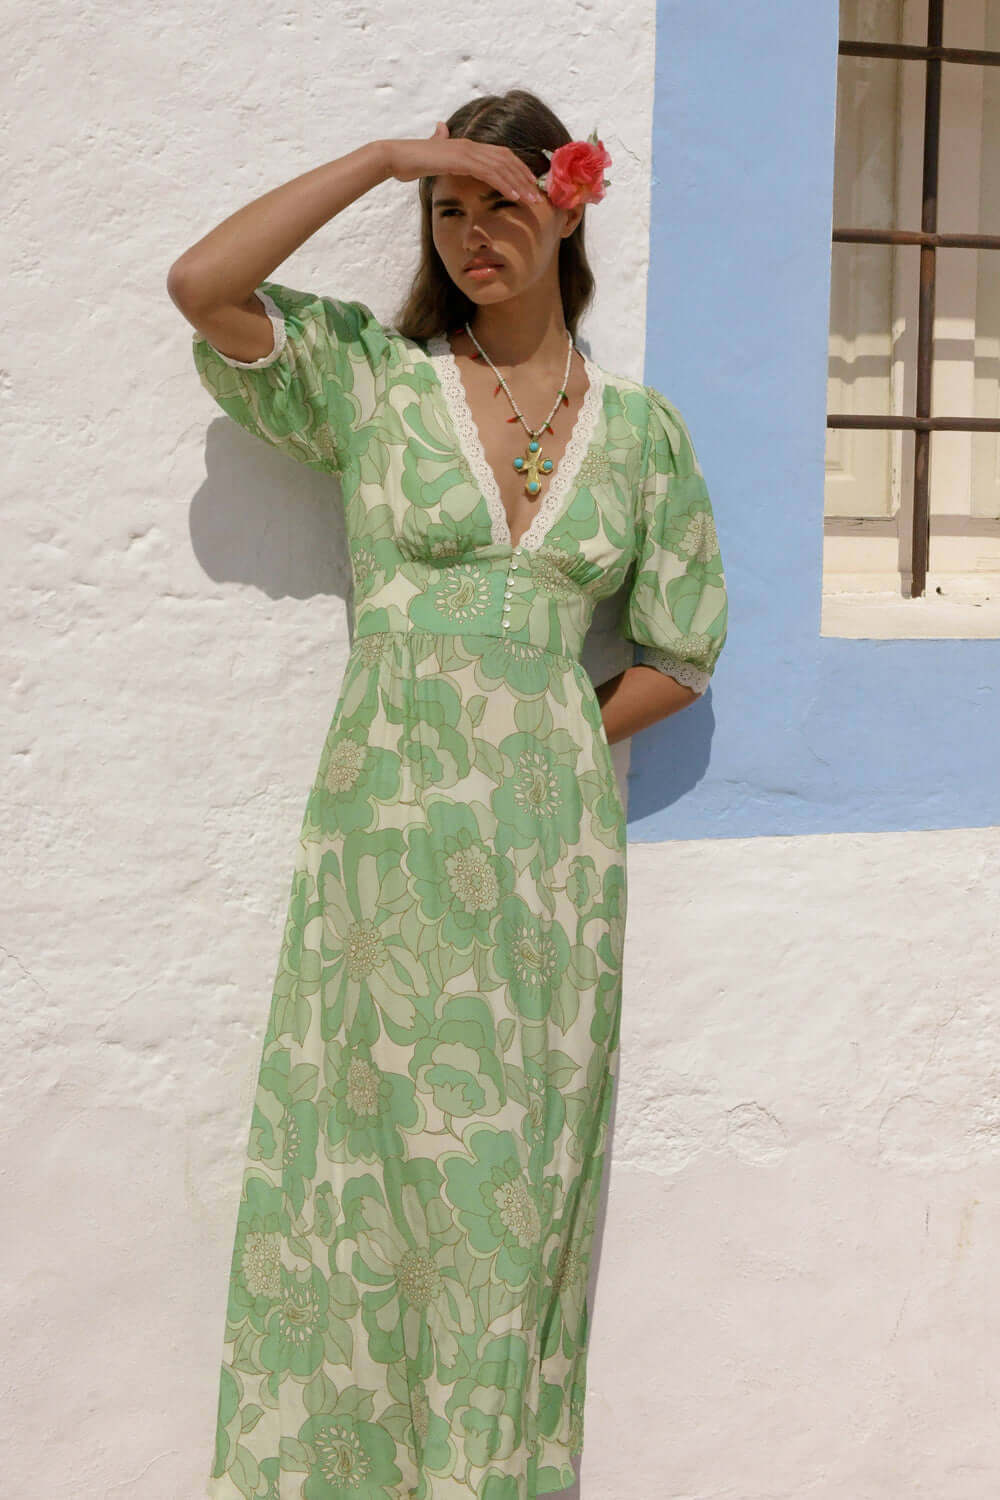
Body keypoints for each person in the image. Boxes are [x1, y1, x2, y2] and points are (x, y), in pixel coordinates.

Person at [168, 88, 728, 1500]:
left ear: (568, 204)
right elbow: (204, 286)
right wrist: (383, 158)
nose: (475, 233)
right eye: (448, 210)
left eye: (503, 201)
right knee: (369, 1165)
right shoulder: (375, 383)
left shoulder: (640, 431)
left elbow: (683, 650)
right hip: (388, 843)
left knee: (515, 1189)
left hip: (549, 858)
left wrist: (551, 726)